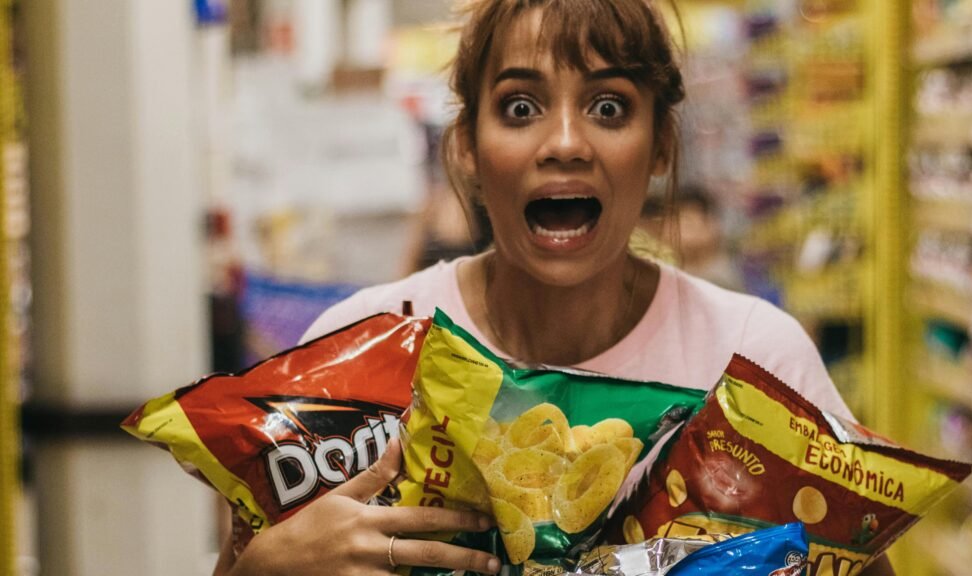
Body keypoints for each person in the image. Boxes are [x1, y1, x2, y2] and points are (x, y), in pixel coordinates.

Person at [215, 1, 895, 574]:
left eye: (608, 106)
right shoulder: (356, 352)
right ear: (467, 146)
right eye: (520, 107)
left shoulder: (753, 360)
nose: (565, 142)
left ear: (660, 144)